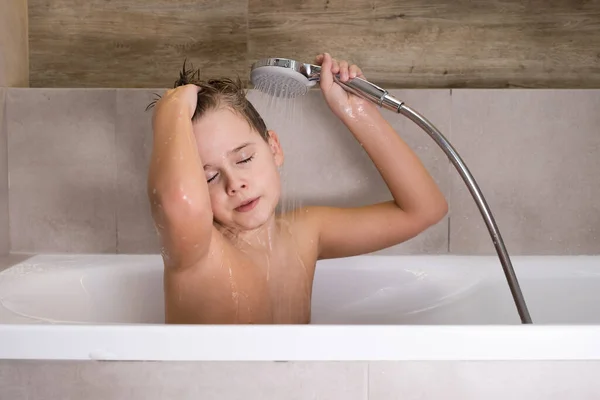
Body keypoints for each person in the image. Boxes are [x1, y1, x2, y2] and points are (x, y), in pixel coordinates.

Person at [147, 53, 448, 324]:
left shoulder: (304, 233)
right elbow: (181, 203)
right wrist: (171, 108)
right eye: (209, 178)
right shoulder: (197, 252)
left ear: (274, 147)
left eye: (245, 158)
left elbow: (424, 210)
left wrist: (358, 112)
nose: (235, 184)